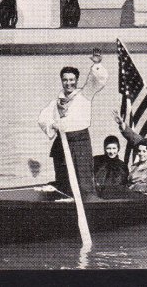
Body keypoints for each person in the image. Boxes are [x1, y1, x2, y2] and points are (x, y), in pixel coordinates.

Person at [38, 49, 107, 200]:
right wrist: (53, 125)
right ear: (61, 81)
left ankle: (90, 203)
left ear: (76, 80)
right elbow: (43, 119)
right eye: (65, 80)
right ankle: (65, 202)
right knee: (63, 178)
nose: (68, 83)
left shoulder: (84, 95)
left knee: (83, 180)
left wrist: (97, 64)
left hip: (80, 144)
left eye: (71, 80)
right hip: (61, 144)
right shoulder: (56, 101)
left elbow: (97, 81)